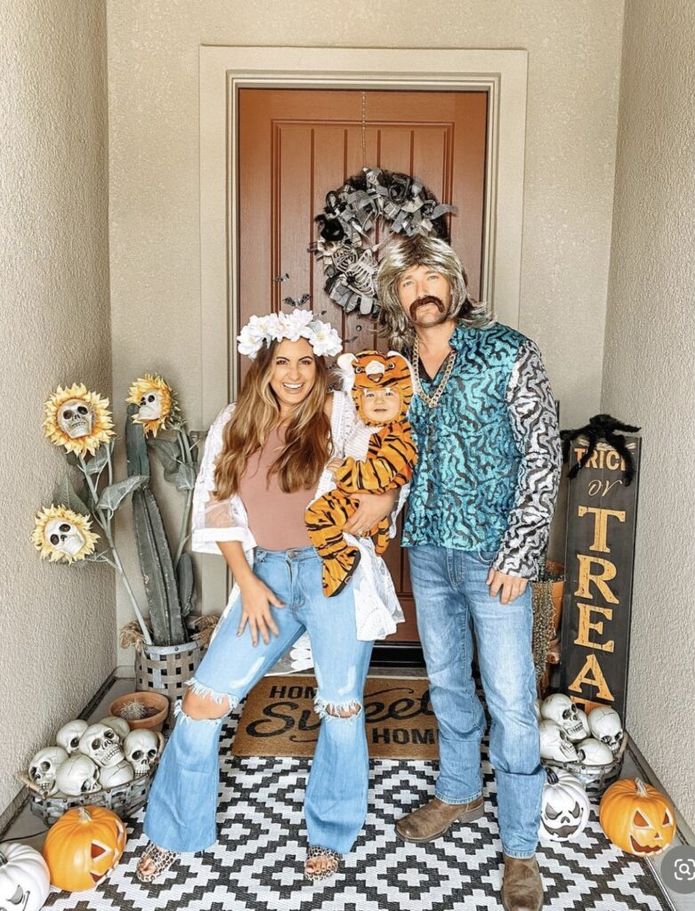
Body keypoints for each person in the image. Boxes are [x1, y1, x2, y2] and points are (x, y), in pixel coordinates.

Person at [135, 310, 400, 884]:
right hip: (268, 575)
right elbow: (218, 504)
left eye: (306, 361)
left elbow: (388, 456)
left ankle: (331, 831)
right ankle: (176, 828)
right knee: (204, 701)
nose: (295, 373)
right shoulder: (237, 423)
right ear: (264, 366)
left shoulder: (340, 411)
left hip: (335, 572)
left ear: (321, 365)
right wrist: (248, 583)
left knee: (341, 705)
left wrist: (384, 498)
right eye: (283, 361)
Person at [376, 235, 561, 911]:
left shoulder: (510, 350)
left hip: (494, 556)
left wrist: (521, 554)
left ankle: (520, 849)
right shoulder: (393, 368)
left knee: (511, 698)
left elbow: (544, 451)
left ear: (454, 283)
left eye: (431, 275)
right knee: (449, 682)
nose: (419, 288)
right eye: (406, 281)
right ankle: (458, 790)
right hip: (426, 549)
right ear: (396, 297)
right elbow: (386, 452)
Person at [305, 349, 417, 597]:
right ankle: (377, 532)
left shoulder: (397, 434)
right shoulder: (365, 427)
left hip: (361, 492)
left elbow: (384, 473)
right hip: (354, 490)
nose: (379, 401)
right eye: (370, 394)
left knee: (317, 516)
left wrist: (345, 471)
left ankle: (340, 558)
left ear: (404, 398)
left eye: (389, 393)